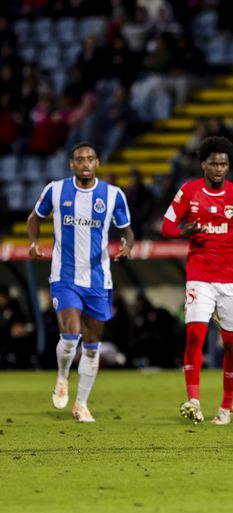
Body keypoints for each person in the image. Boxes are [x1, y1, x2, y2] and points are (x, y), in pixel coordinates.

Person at [161, 136, 233, 425]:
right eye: (214, 163)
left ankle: (225, 407)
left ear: (228, 166)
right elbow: (166, 226)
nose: (219, 168)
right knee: (195, 336)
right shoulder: (188, 192)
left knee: (231, 344)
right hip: (200, 277)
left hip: (232, 281)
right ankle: (193, 401)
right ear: (203, 165)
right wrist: (184, 232)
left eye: (223, 164)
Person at [27, 142, 134, 423]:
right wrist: (34, 242)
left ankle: (81, 404)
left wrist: (127, 246)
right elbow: (34, 218)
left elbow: (127, 230)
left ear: (97, 163)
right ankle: (63, 376)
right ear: (72, 164)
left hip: (98, 280)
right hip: (64, 276)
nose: (85, 163)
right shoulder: (55, 190)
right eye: (80, 159)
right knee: (71, 335)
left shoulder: (113, 195)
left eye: (90, 159)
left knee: (92, 345)